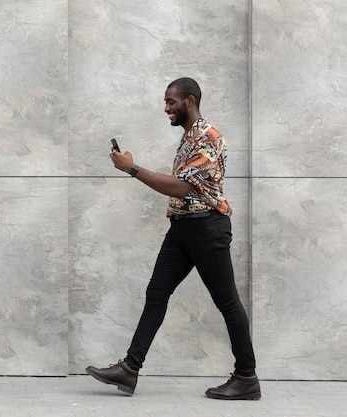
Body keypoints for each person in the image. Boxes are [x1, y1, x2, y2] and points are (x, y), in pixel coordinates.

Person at [86, 77, 260, 400]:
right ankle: (130, 368)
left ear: (190, 102)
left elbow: (183, 187)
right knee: (156, 293)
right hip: (182, 228)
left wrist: (132, 169)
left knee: (227, 302)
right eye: (165, 102)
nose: (166, 108)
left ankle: (247, 377)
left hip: (207, 229)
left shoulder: (208, 137)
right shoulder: (189, 138)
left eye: (171, 102)